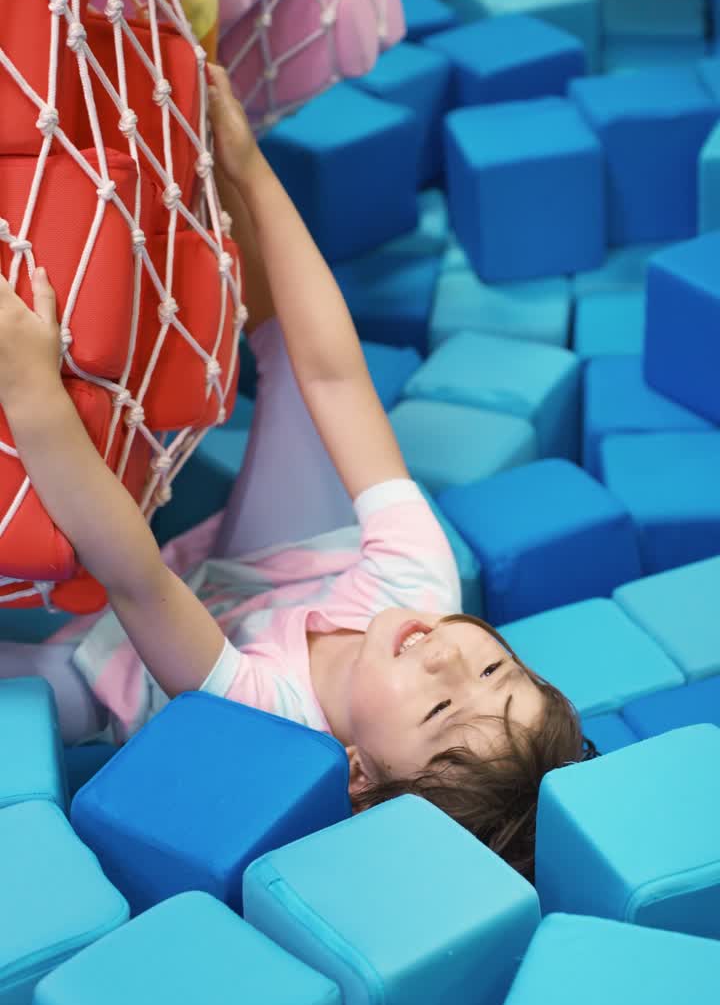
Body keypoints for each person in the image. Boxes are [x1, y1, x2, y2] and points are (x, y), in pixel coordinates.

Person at [0, 65, 595, 879]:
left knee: (44, 695)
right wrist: (246, 164)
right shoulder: (420, 582)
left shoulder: (270, 721)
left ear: (356, 771)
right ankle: (209, 203)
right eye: (496, 665)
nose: (450, 658)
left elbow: (134, 575)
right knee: (316, 401)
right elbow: (335, 375)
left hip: (127, 656)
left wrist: (29, 390)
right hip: (270, 572)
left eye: (441, 706)